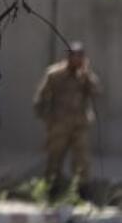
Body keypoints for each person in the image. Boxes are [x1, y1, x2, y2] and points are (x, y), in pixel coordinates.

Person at [33, 40, 102, 194]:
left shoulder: (84, 75)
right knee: (54, 159)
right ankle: (51, 191)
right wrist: (47, 118)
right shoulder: (54, 74)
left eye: (80, 56)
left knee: (82, 161)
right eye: (74, 55)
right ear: (68, 56)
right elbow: (40, 98)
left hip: (80, 125)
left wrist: (87, 74)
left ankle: (82, 193)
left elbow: (97, 92)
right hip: (59, 125)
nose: (77, 59)